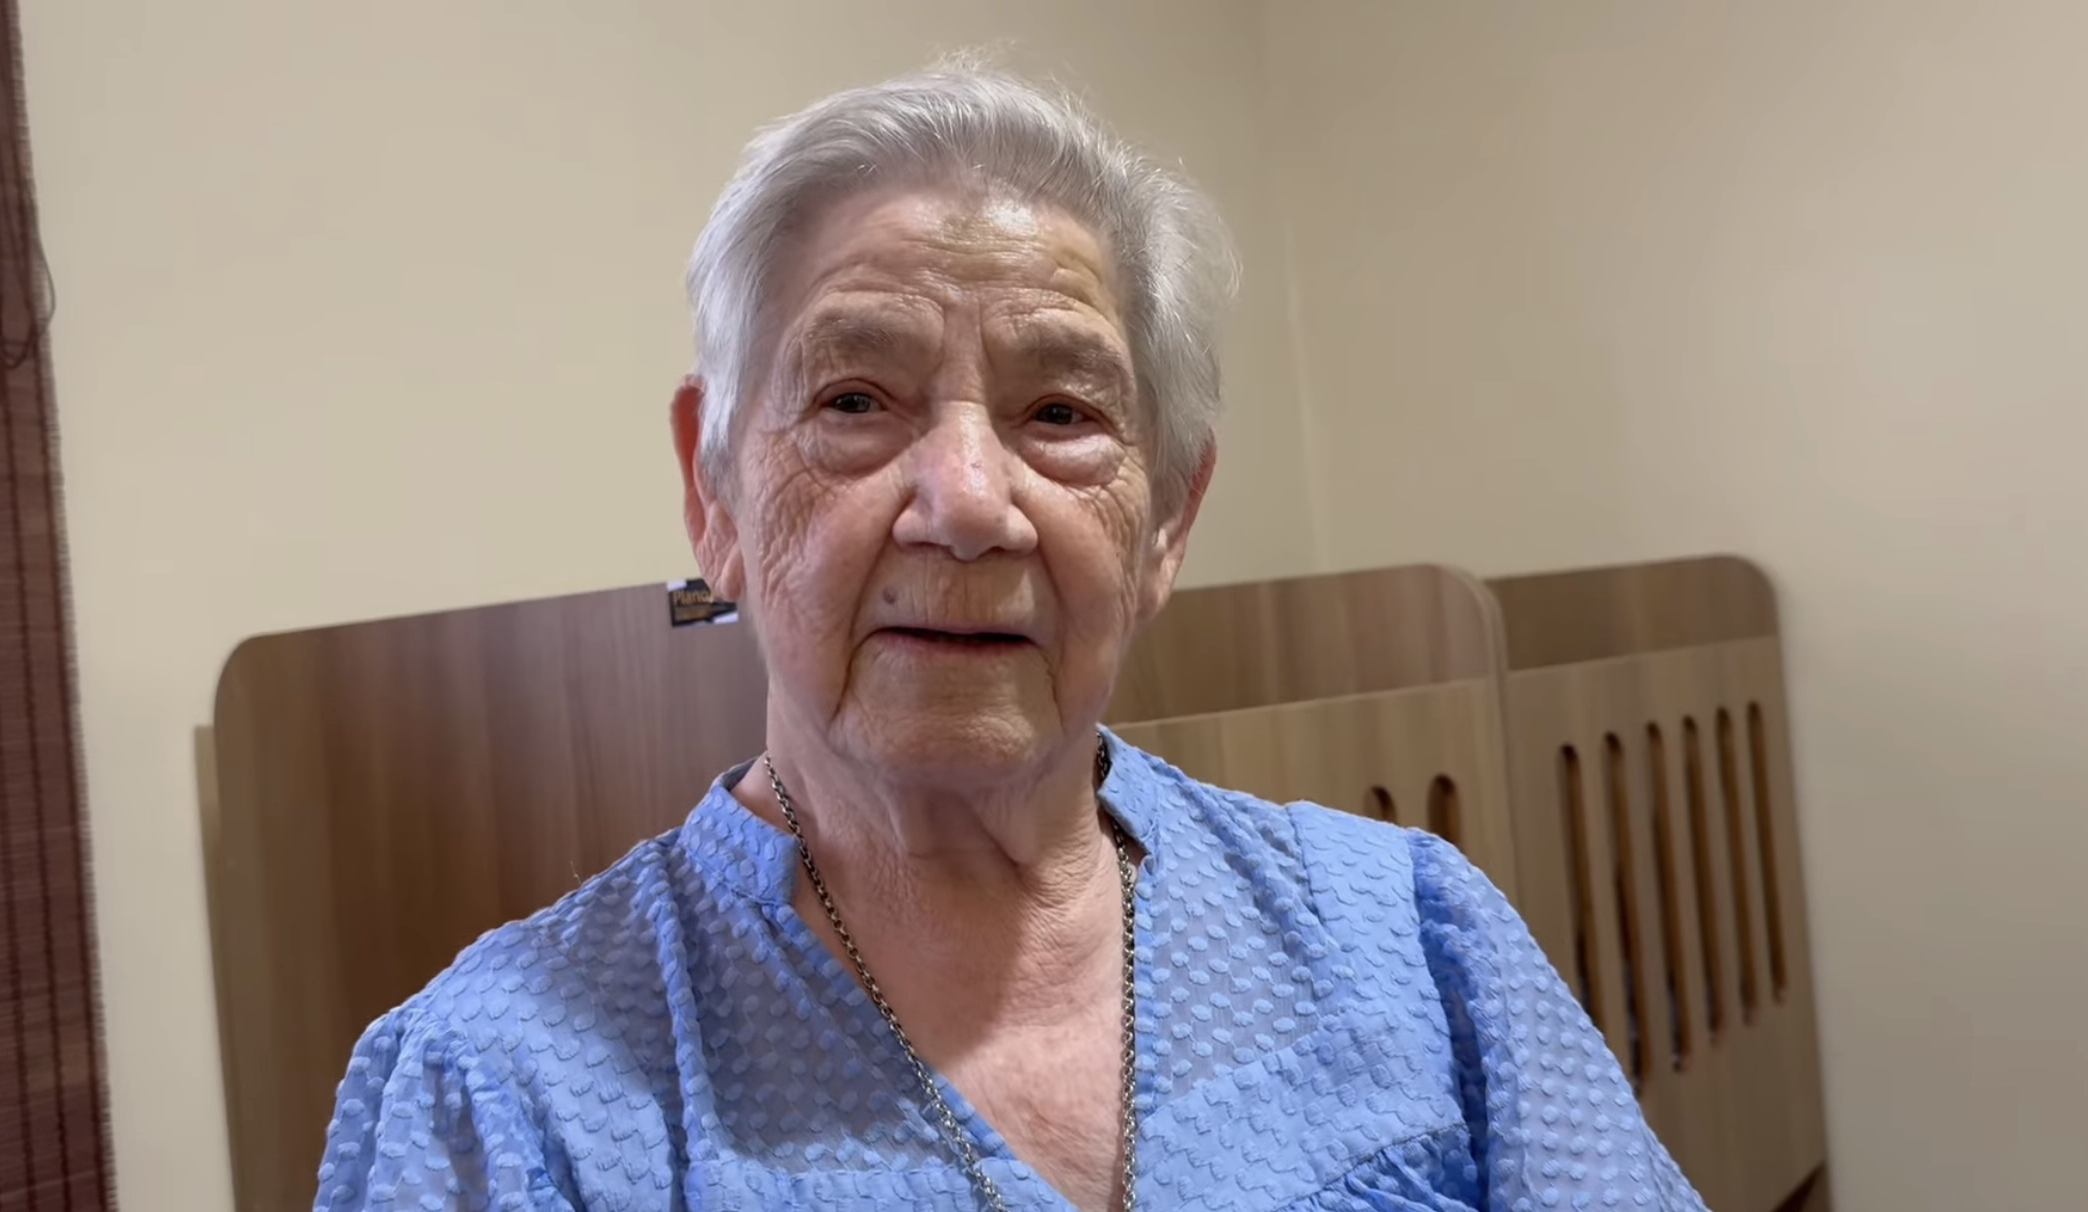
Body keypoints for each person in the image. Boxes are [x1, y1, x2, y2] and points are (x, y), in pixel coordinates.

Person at [314, 62, 1707, 1212]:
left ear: (1167, 519)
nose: (970, 504)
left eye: (1061, 414)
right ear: (713, 491)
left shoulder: (1415, 936)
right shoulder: (500, 1090)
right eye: (854, 400)